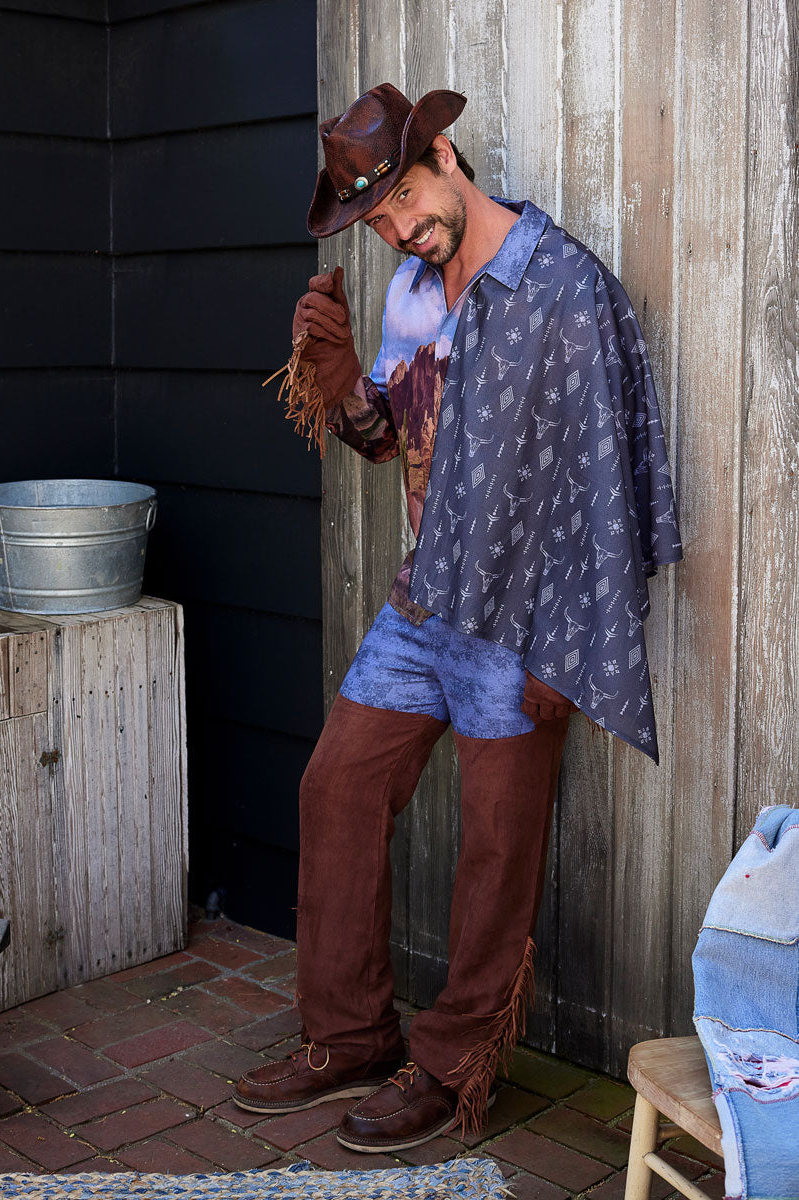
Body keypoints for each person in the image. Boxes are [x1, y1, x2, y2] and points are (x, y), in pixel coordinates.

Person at [233, 82, 681, 1153]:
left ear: (442, 153)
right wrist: (340, 381)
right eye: (375, 219)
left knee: (495, 850)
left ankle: (453, 1063)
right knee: (338, 785)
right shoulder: (415, 292)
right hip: (423, 600)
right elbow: (389, 438)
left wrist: (571, 646)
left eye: (400, 201)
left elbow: (607, 484)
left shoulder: (563, 288)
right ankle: (349, 1035)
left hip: (520, 620)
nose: (397, 229)